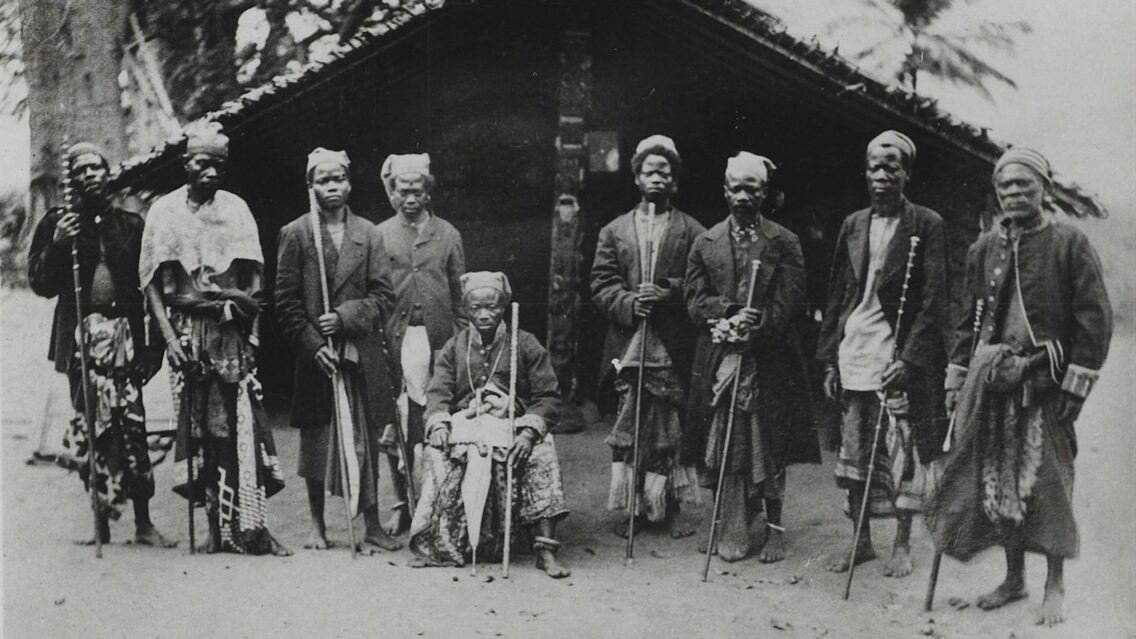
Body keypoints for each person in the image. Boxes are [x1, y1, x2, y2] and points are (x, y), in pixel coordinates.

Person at [925, 148, 1111, 626]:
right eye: (1004, 186)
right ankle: (1013, 578)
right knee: (997, 479)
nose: (1013, 194)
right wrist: (957, 376)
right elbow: (968, 320)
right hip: (993, 383)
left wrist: (1074, 385)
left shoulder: (1068, 242)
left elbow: (1094, 319)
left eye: (1023, 185)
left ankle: (1054, 584)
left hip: (1044, 382)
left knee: (1048, 483)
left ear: (1044, 190)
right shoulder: (984, 247)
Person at [140, 121, 290, 556]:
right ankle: (213, 528)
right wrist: (169, 339)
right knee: (201, 429)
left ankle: (253, 526)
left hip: (232, 331)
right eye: (202, 164)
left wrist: (256, 335)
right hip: (188, 332)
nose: (210, 174)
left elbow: (256, 281)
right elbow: (151, 284)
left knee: (244, 426)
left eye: (219, 167)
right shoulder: (164, 213)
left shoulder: (237, 209)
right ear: (186, 163)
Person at [815, 131, 949, 578]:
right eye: (874, 166)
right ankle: (861, 541)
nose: (881, 175)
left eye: (891, 167)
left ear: (906, 173)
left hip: (896, 355)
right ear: (865, 173)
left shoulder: (927, 224)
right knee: (855, 453)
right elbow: (837, 293)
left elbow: (934, 301)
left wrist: (909, 360)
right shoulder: (853, 225)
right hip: (855, 351)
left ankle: (903, 545)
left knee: (902, 453)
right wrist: (829, 356)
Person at [27, 142, 173, 547]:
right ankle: (102, 522)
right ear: (72, 180)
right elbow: (40, 283)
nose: (92, 175)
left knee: (133, 426)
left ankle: (143, 522)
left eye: (98, 168)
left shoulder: (130, 225)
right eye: (82, 170)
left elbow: (154, 287)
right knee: (94, 428)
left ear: (108, 174)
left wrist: (153, 347)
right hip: (81, 343)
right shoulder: (59, 223)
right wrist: (57, 243)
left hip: (126, 341)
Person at [684, 152, 820, 563]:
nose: (743, 196)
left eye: (752, 188)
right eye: (736, 188)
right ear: (725, 191)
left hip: (770, 359)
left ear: (766, 193)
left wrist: (756, 327)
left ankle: (775, 531)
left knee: (770, 442)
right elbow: (693, 300)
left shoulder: (784, 241)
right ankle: (725, 526)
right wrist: (727, 315)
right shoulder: (705, 242)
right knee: (720, 441)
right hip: (719, 359)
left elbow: (792, 302)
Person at [275, 148, 402, 552]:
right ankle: (317, 526)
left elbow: (384, 296)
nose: (332, 187)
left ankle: (372, 525)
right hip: (318, 358)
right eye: (323, 181)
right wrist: (314, 343)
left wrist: (345, 317)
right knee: (317, 440)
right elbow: (285, 302)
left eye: (338, 179)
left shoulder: (369, 234)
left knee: (364, 439)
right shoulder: (296, 233)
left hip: (358, 352)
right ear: (310, 186)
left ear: (349, 183)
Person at [409, 272, 570, 578]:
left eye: (492, 307)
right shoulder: (454, 347)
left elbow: (548, 396)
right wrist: (439, 423)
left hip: (512, 423)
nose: (484, 315)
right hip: (467, 424)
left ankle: (545, 549)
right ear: (466, 310)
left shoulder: (525, 343)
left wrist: (528, 430)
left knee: (542, 453)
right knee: (435, 453)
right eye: (476, 308)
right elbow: (437, 394)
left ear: (504, 307)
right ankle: (439, 542)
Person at [590, 134, 705, 540]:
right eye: (648, 170)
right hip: (629, 343)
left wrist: (668, 292)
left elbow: (701, 282)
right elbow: (601, 283)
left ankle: (668, 505)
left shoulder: (692, 231)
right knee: (633, 421)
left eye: (665, 171)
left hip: (671, 342)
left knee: (668, 423)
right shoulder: (615, 230)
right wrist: (626, 301)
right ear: (637, 177)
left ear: (674, 180)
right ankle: (636, 507)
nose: (656, 177)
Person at [374, 152, 467, 535]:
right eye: (402, 191)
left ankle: (437, 502)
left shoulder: (447, 234)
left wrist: (459, 341)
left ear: (428, 192)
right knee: (398, 425)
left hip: (440, 342)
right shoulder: (379, 234)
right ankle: (402, 504)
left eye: (417, 191)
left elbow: (461, 296)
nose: (409, 199)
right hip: (397, 341)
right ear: (392, 192)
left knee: (438, 421)